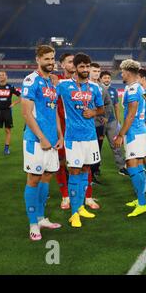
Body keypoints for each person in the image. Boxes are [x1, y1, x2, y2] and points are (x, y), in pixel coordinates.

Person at [56, 53, 104, 228]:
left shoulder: (95, 88)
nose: (85, 70)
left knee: (85, 169)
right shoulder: (63, 86)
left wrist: (93, 112)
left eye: (87, 66)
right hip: (73, 138)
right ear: (75, 68)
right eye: (81, 66)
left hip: (90, 137)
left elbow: (101, 109)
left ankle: (81, 206)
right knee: (74, 172)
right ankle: (74, 213)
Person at [21, 45, 62, 240]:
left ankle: (41, 217)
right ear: (38, 59)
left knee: (47, 177)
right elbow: (26, 114)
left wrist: (59, 135)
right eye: (47, 59)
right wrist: (42, 138)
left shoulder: (51, 83)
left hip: (52, 142)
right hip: (35, 141)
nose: (51, 62)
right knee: (34, 179)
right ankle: (32, 224)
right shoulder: (31, 80)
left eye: (52, 58)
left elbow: (53, 111)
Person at [114, 59, 146, 217]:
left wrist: (121, 134)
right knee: (137, 166)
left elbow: (131, 114)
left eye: (122, 72)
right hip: (139, 131)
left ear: (128, 73)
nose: (121, 74)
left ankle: (142, 203)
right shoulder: (138, 88)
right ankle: (141, 198)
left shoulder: (132, 90)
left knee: (131, 165)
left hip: (134, 133)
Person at [53, 53, 75, 210]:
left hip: (77, 130)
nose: (73, 64)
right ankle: (65, 196)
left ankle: (83, 196)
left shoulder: (81, 82)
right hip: (59, 128)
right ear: (62, 65)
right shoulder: (56, 81)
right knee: (60, 163)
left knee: (80, 164)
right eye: (70, 61)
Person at [99, 70, 127, 176]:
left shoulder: (113, 90)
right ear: (101, 79)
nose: (107, 80)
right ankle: (95, 170)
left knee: (116, 145)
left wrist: (118, 121)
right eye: (105, 78)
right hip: (99, 122)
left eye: (108, 78)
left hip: (111, 122)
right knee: (98, 146)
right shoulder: (97, 89)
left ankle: (121, 167)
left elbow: (116, 106)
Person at [0, 71, 21, 155]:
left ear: (6, 77)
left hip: (7, 111)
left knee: (7, 130)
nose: (1, 76)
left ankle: (6, 149)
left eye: (2, 75)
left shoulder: (10, 87)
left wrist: (14, 103)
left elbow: (21, 96)